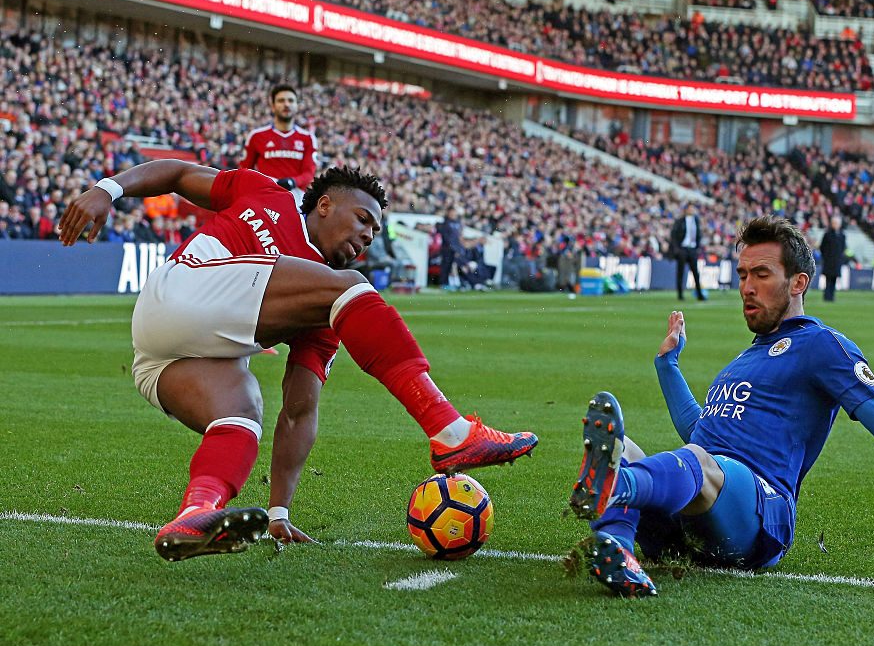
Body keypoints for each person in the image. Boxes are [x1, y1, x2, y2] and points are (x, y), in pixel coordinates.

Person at [57, 160, 537, 562]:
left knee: (242, 414)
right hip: (180, 289)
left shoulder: (322, 309)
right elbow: (180, 174)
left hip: (162, 359)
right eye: (363, 219)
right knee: (351, 289)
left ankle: (195, 513)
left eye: (375, 232)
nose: (367, 237)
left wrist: (280, 510)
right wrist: (107, 189)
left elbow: (300, 408)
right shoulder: (269, 195)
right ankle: (449, 431)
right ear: (324, 204)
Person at [568, 216, 874, 598]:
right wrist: (668, 366)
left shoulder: (823, 345)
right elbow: (701, 432)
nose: (746, 286)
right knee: (625, 446)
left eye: (761, 274)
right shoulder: (745, 358)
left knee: (693, 465)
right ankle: (618, 547)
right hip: (699, 511)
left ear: (797, 282)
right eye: (742, 274)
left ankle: (617, 489)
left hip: (762, 514)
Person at [240, 83, 319, 209]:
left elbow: (309, 173)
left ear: (297, 106)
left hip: (296, 200)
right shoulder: (256, 136)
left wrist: (292, 182)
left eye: (291, 100)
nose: (286, 104)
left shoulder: (308, 138)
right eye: (281, 101)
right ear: (273, 106)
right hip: (264, 198)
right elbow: (244, 170)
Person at [669, 202, 705, 301]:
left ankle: (699, 294)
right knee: (680, 272)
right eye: (690, 208)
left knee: (695, 273)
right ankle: (680, 294)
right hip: (683, 249)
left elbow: (698, 235)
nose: (692, 210)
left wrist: (697, 247)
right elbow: (674, 235)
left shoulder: (696, 220)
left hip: (692, 249)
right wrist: (677, 249)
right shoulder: (680, 221)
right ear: (686, 210)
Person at [819, 215, 846, 302]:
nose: (835, 225)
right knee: (828, 279)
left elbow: (843, 248)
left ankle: (832, 295)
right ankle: (827, 296)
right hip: (829, 261)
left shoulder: (842, 235)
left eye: (837, 223)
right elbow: (822, 247)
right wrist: (826, 256)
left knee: (834, 279)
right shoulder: (827, 235)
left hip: (837, 261)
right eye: (834, 223)